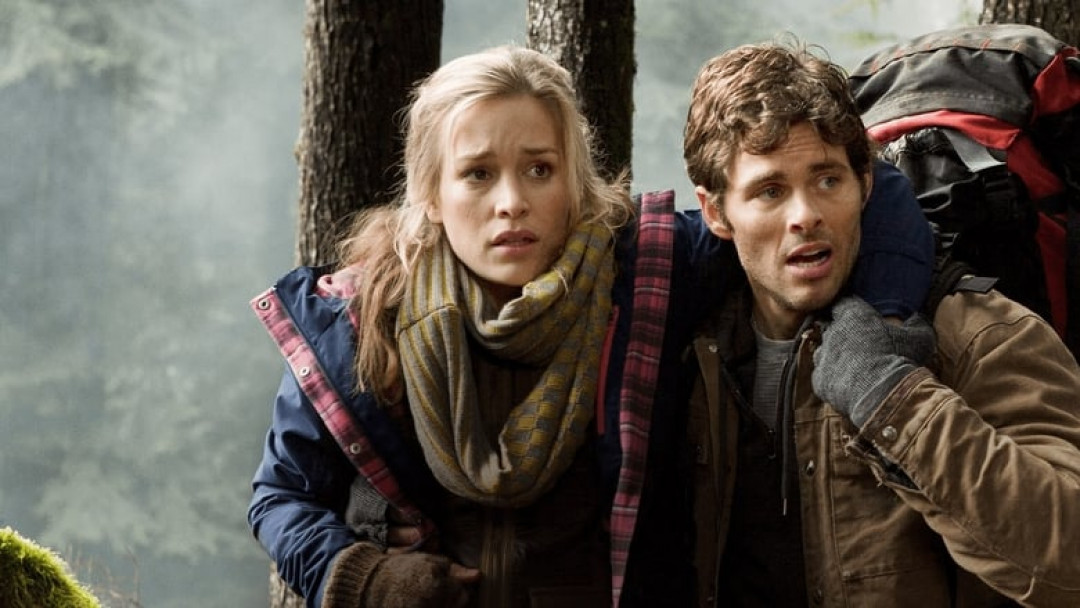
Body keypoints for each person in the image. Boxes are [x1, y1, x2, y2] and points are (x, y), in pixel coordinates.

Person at [246, 45, 933, 608]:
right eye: (478, 174)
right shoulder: (358, 319)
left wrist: (880, 327)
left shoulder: (645, 272)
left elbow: (880, 193)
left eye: (539, 169)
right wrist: (359, 576)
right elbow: (280, 496)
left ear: (574, 180)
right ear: (431, 194)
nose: (512, 202)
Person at [681, 38, 1080, 607]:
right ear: (716, 212)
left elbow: (1070, 559)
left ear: (865, 183)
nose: (806, 216)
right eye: (770, 191)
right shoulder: (686, 343)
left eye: (827, 180)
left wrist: (890, 398)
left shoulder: (980, 334)